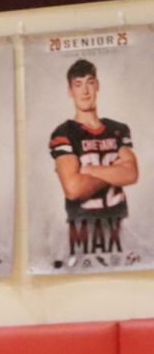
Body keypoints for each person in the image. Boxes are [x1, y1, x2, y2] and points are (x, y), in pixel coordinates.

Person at [49, 59, 138, 267]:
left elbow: (131, 174)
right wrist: (114, 170)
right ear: (70, 91)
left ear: (97, 85)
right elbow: (73, 189)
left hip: (119, 225)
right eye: (78, 84)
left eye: (89, 82)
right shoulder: (64, 133)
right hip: (83, 228)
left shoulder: (117, 129)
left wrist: (90, 170)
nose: (85, 91)